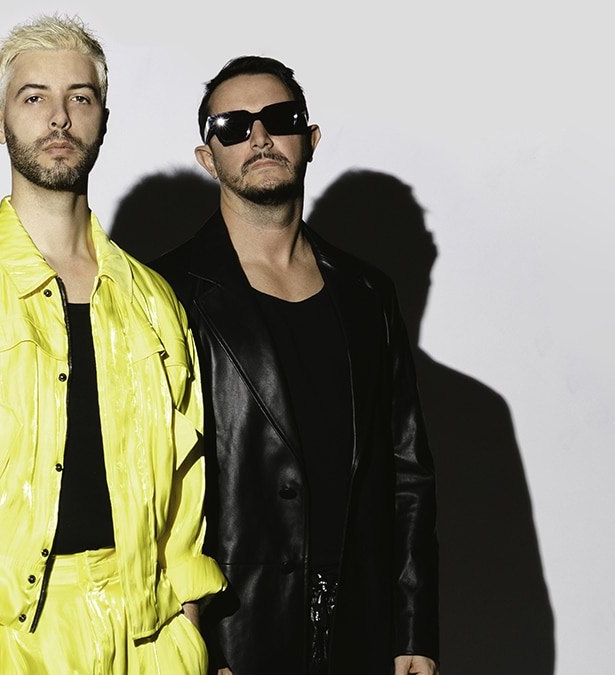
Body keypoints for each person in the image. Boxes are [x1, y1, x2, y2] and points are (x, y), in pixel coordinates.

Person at [0, 15, 225, 675]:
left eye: (79, 97)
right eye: (34, 97)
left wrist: (187, 640)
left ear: (103, 120)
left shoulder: (154, 301)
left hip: (149, 636)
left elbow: (185, 500)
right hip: (9, 639)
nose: (59, 117)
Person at [153, 56, 440, 675]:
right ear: (207, 157)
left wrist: (414, 631)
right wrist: (192, 644)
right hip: (234, 631)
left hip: (364, 633)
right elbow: (150, 485)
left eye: (279, 119)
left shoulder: (368, 293)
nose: (259, 136)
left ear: (309, 139)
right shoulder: (165, 291)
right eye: (233, 126)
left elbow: (407, 472)